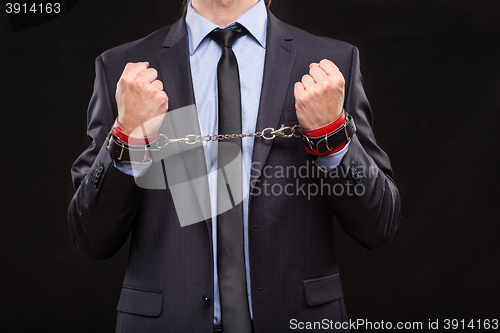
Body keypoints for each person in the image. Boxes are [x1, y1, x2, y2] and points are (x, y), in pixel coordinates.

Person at [68, 0, 401, 332]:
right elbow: (93, 237)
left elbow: (378, 225)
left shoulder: (330, 64)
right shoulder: (124, 71)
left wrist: (332, 136)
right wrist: (127, 138)